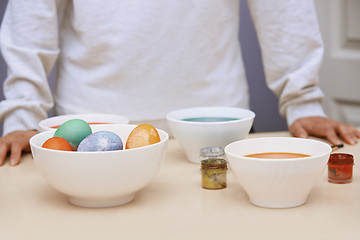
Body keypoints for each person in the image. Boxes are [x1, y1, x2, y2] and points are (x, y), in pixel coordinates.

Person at [0, 0, 359, 166]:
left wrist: (304, 100)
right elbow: (31, 14)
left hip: (213, 134)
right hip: (88, 138)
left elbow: (283, 9)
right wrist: (21, 116)